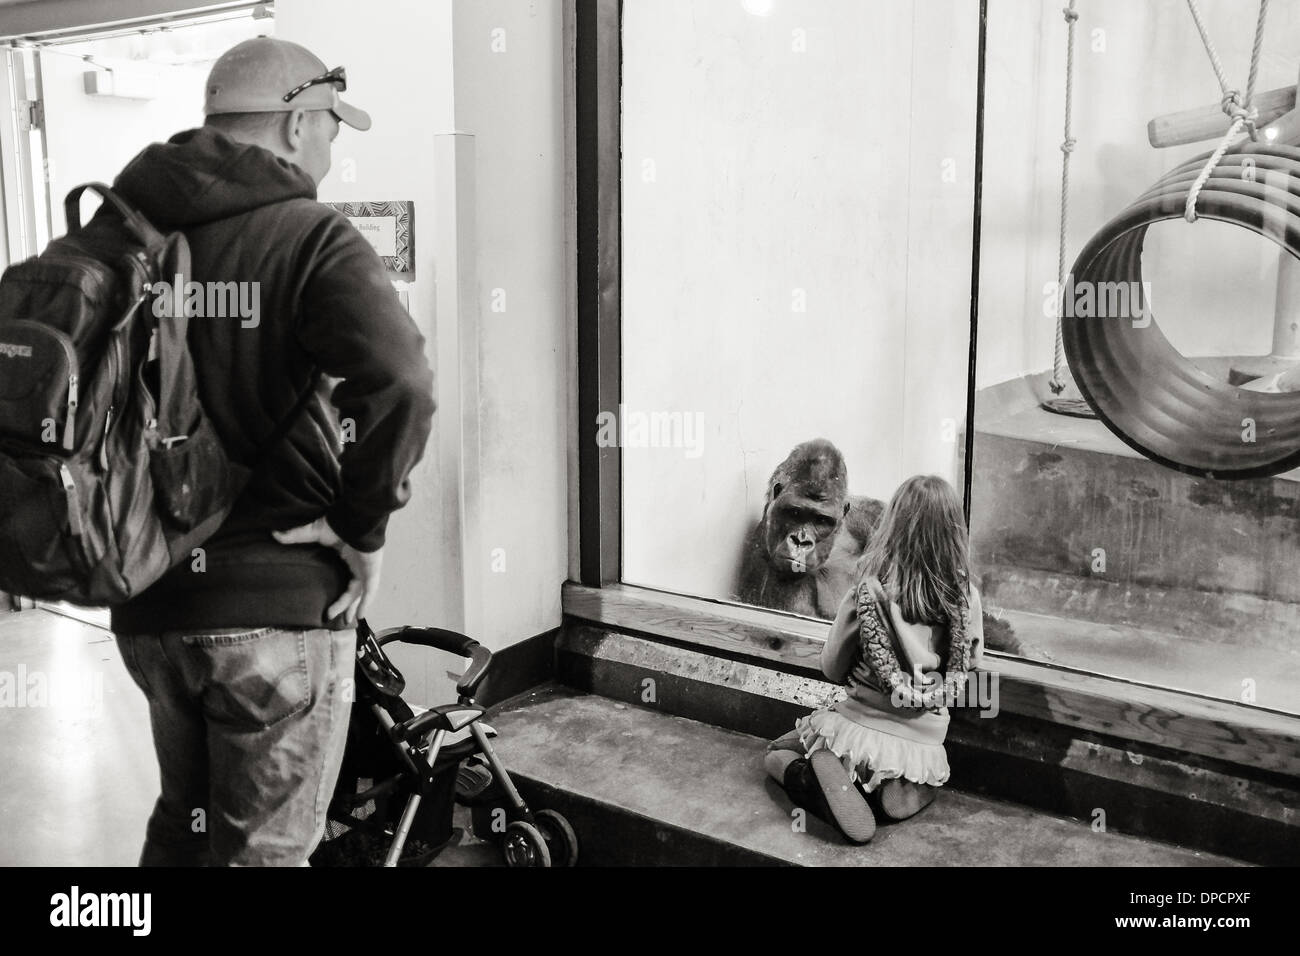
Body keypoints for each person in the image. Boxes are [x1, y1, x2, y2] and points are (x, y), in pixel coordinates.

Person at [108, 37, 435, 866]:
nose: (332, 145)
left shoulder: (127, 229)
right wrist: (361, 530)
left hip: (150, 605)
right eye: (331, 124)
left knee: (184, 823)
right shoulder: (310, 235)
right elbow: (402, 382)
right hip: (274, 614)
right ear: (296, 123)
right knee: (266, 852)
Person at [764, 474, 984, 844]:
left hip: (856, 726)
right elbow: (970, 663)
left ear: (892, 525)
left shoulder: (869, 590)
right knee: (902, 772)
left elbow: (832, 667)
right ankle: (893, 794)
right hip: (923, 743)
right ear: (955, 531)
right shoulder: (966, 598)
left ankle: (814, 776)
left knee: (775, 754)